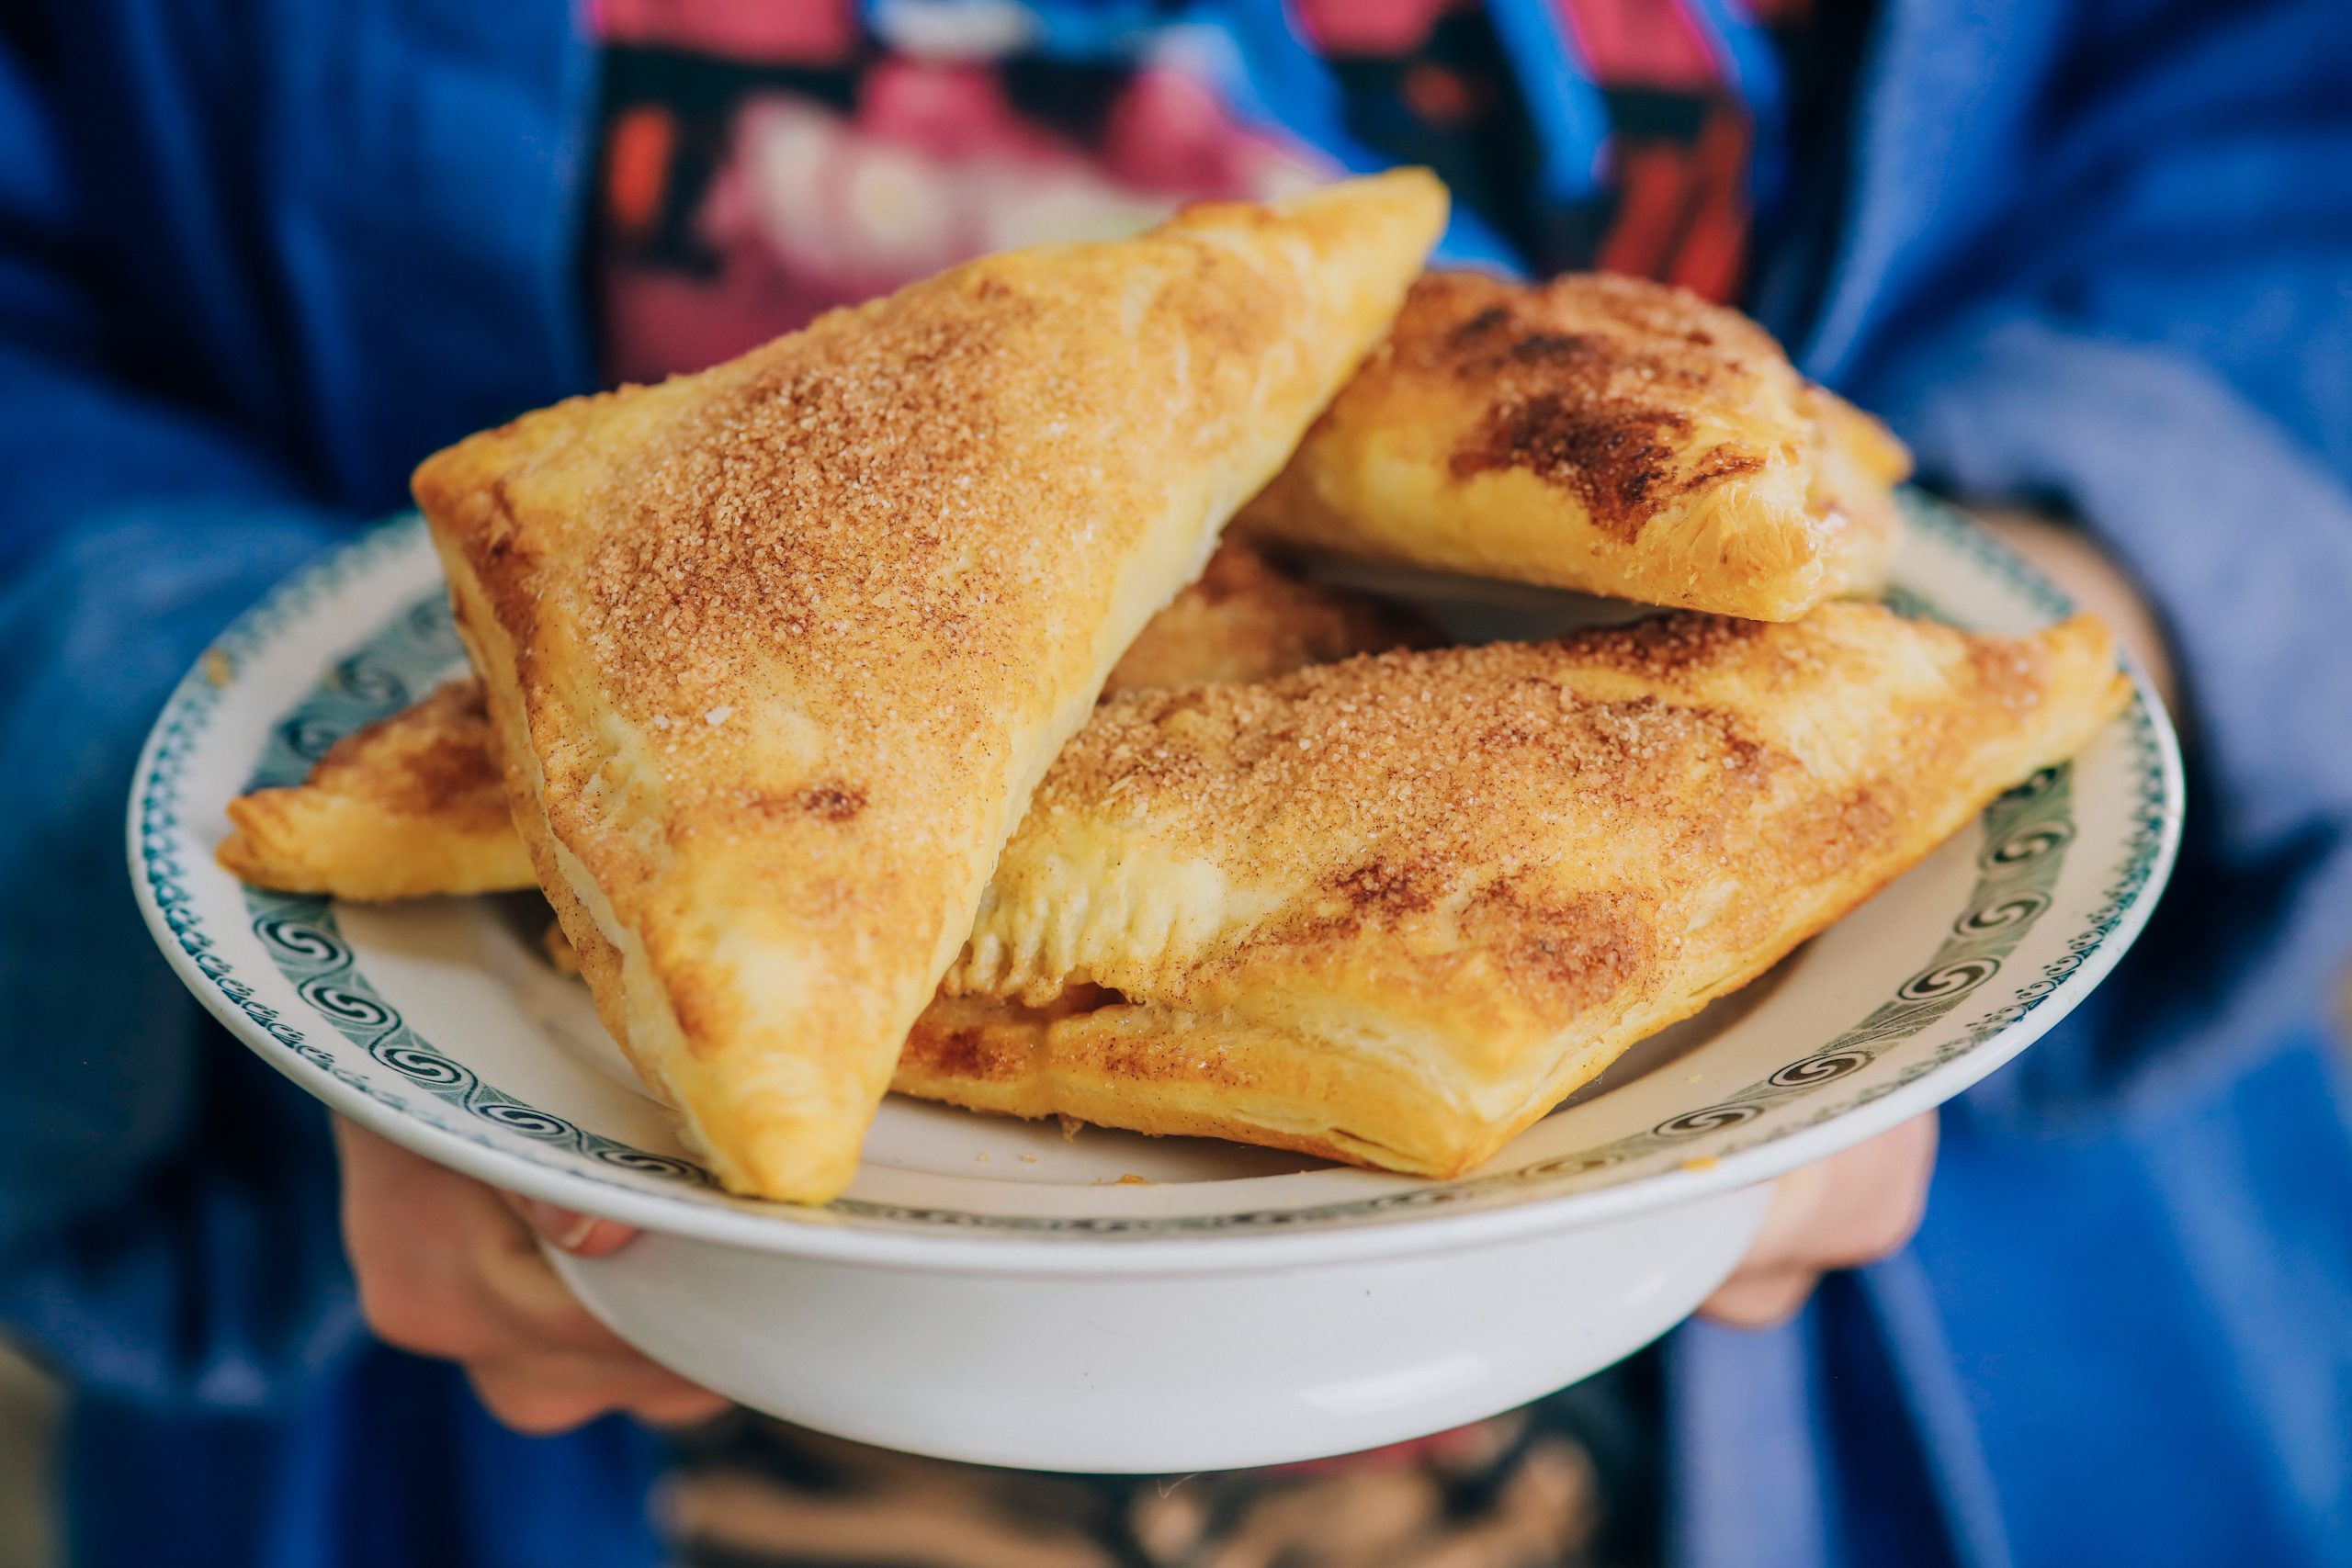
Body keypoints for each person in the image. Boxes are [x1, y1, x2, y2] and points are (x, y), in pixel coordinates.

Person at [2, 2, 2346, 1564]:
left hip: (1924, 1389)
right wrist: (229, 866)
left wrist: (2034, 627)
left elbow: (2277, 111)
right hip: (476, 1437)